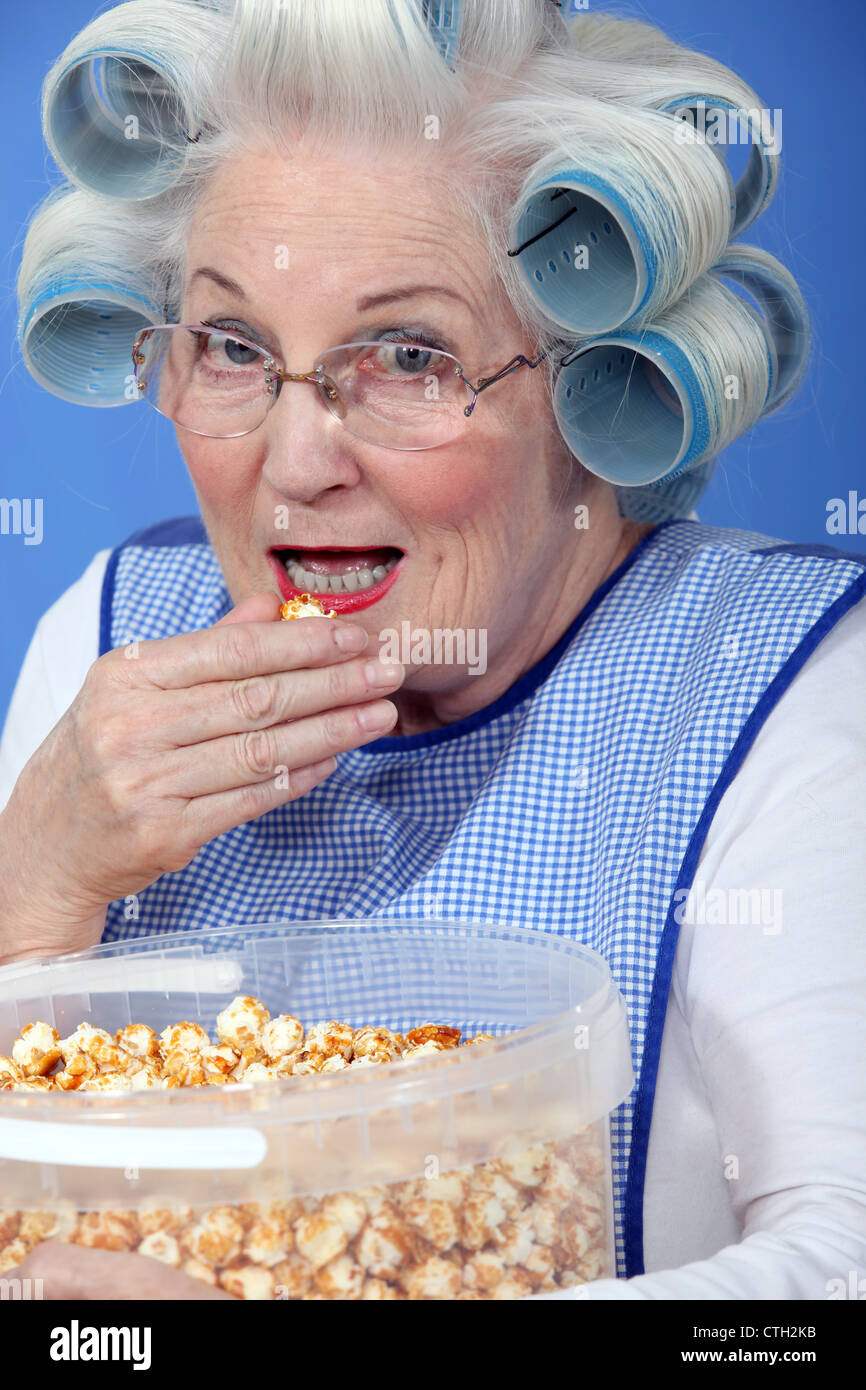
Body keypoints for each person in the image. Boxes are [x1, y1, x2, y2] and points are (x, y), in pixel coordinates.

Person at [0, 0, 863, 1301]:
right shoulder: (113, 633)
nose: (297, 467)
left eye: (407, 357)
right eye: (235, 348)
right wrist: (35, 876)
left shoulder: (788, 686)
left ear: (593, 383)